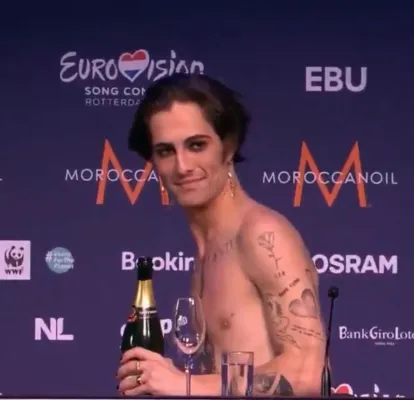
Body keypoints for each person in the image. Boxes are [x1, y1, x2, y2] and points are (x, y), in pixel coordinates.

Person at [116, 73, 326, 397]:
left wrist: (184, 384)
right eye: (166, 151)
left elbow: (308, 374)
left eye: (196, 145)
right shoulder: (208, 248)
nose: (183, 166)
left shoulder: (261, 234)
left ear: (228, 146)